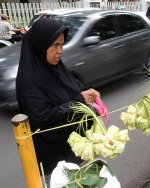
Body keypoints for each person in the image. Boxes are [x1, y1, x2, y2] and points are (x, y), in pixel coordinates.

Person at [16, 18, 100, 178]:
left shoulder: (57, 67)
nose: (60, 50)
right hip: (56, 163)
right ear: (40, 45)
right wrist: (79, 101)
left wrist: (87, 92)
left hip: (77, 150)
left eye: (61, 44)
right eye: (55, 45)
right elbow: (41, 118)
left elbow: (73, 87)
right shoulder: (28, 81)